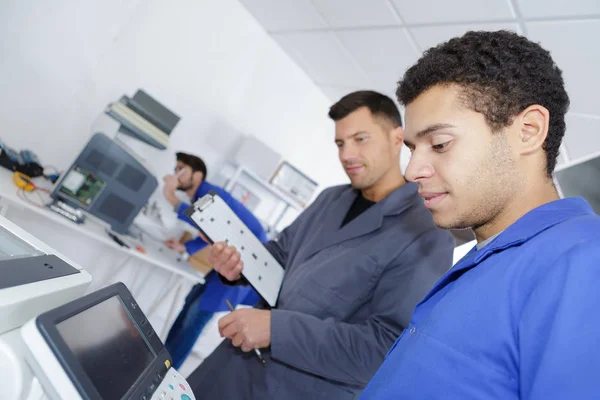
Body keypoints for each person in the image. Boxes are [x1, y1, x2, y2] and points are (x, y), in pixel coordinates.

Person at [360, 30, 600, 399]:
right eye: (413, 148)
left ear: (528, 131)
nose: (411, 171)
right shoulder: (485, 258)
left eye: (439, 144)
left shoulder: (584, 261)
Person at [187, 91, 455, 399]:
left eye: (360, 139)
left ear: (398, 138)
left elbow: (383, 348)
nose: (347, 154)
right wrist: (236, 267)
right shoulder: (331, 198)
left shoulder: (427, 235)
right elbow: (280, 254)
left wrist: (277, 330)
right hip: (232, 366)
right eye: (340, 143)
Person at [162, 152, 267, 368]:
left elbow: (206, 220)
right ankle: (159, 361)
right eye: (175, 169)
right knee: (189, 305)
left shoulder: (211, 194)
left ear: (198, 174)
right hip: (226, 265)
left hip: (240, 270)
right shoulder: (201, 198)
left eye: (181, 169)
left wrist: (170, 195)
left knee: (194, 319)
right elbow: (211, 230)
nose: (176, 173)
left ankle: (165, 373)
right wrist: (185, 247)